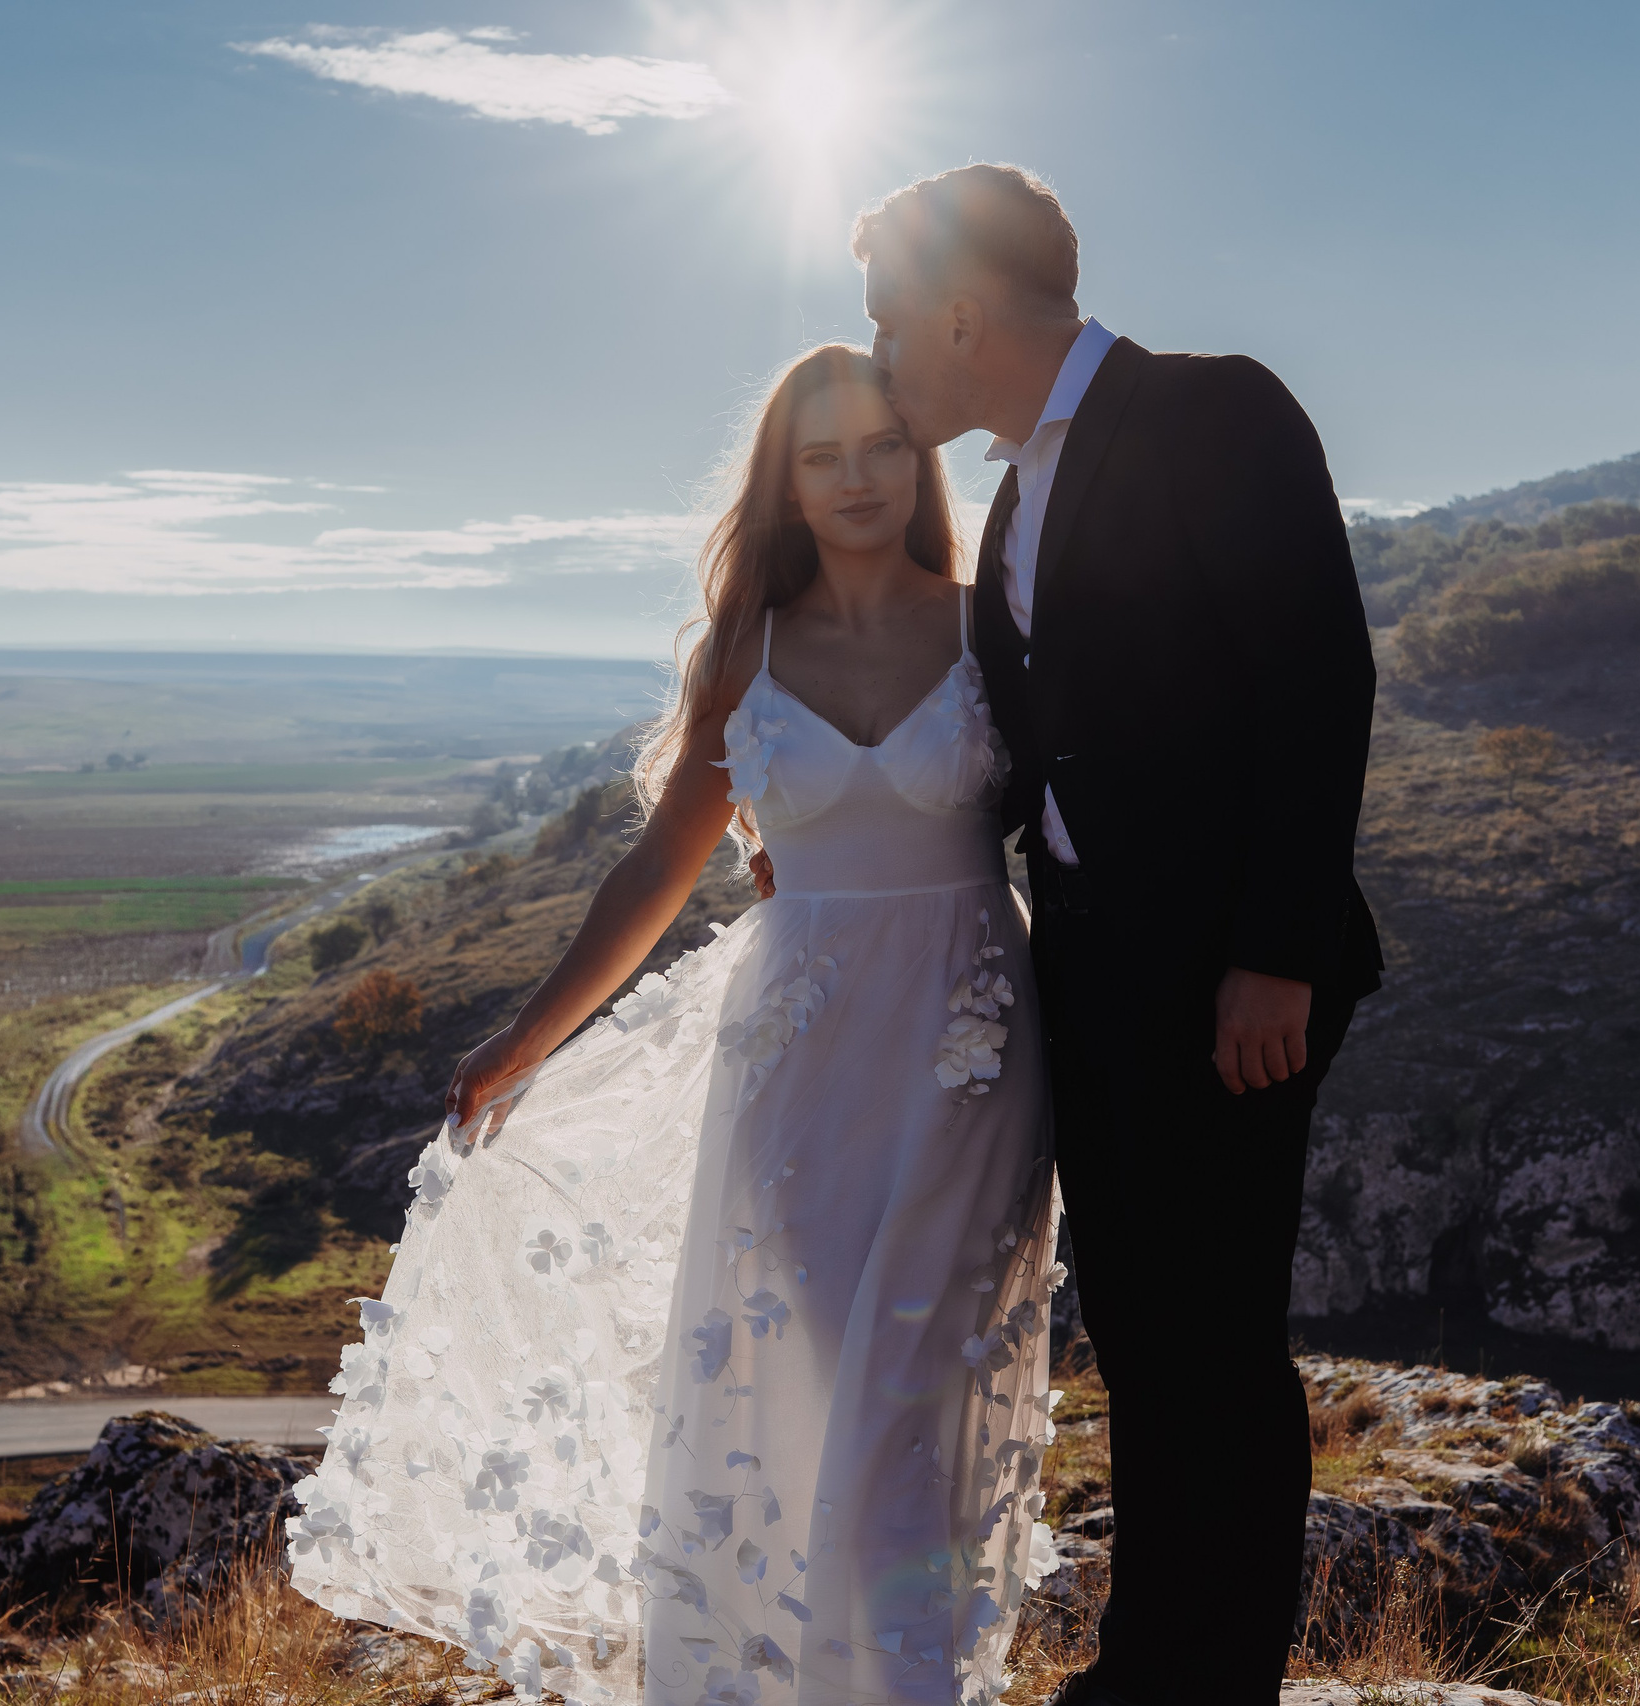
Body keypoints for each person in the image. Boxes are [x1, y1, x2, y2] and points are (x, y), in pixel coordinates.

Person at [286, 344, 1067, 1706]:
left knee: (910, 1390)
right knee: (818, 1389)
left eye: (882, 445)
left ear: (920, 459)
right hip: (798, 1070)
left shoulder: (986, 623)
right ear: (786, 484)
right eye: (822, 456)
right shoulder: (744, 653)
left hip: (973, 1046)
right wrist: (529, 1037)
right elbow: (658, 866)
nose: (858, 477)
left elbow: (1077, 810)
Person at [852, 164, 1384, 1705]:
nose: (881, 356)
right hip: (1091, 981)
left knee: (1217, 1338)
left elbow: (1318, 676)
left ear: (963, 315)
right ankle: (1150, 1664)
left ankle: (1218, 1683)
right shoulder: (1018, 490)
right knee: (1144, 1334)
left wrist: (1276, 952)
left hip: (1235, 984)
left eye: (889, 321)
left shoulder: (1214, 411)